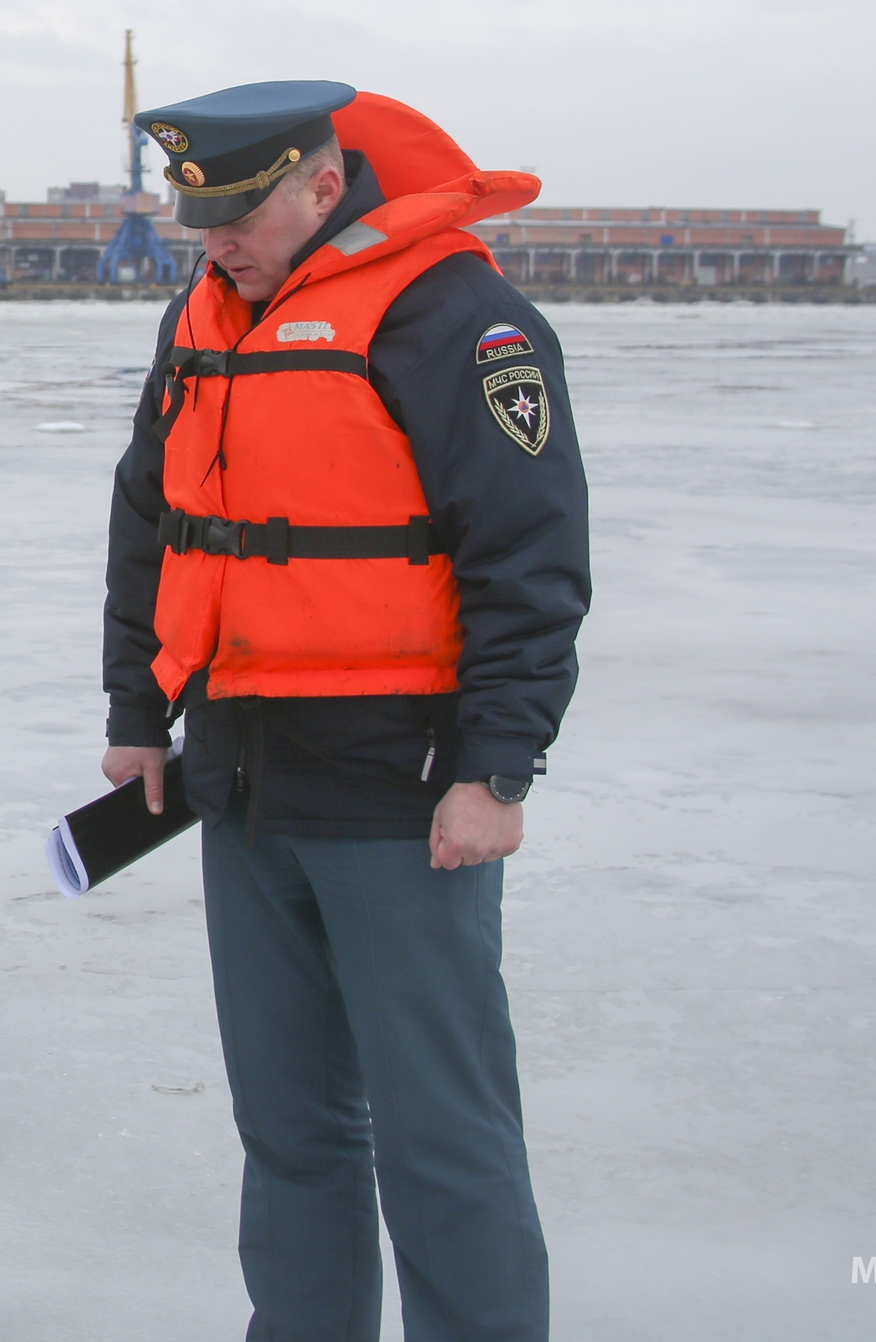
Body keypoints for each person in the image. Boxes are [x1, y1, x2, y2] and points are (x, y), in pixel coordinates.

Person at [100, 83, 589, 1341]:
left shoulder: (457, 315)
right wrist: (140, 711)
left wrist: (498, 767)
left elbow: (529, 556)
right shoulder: (201, 315)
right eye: (192, 213)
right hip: (241, 786)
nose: (211, 239)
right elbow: (150, 522)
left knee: (441, 1134)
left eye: (237, 211)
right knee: (290, 1128)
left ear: (324, 186)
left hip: (401, 794)